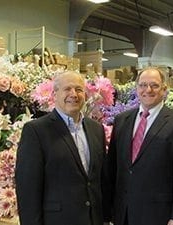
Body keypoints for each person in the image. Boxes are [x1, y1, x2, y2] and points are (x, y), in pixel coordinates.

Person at [108, 67, 173, 225]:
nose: (148, 90)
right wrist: (108, 211)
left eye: (154, 85)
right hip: (123, 213)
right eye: (143, 85)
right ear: (136, 88)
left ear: (164, 89)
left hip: (158, 215)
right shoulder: (122, 120)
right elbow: (112, 169)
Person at [15, 71, 110, 225]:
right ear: (55, 94)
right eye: (67, 89)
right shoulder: (36, 131)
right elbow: (28, 189)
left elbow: (99, 179)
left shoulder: (96, 129)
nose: (74, 94)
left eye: (79, 90)